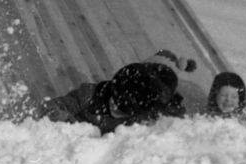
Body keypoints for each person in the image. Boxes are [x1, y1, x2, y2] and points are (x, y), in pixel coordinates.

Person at [40, 49, 197, 135]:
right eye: (114, 101)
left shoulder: (139, 117)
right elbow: (51, 107)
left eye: (122, 111)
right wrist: (71, 125)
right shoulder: (90, 94)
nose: (115, 108)